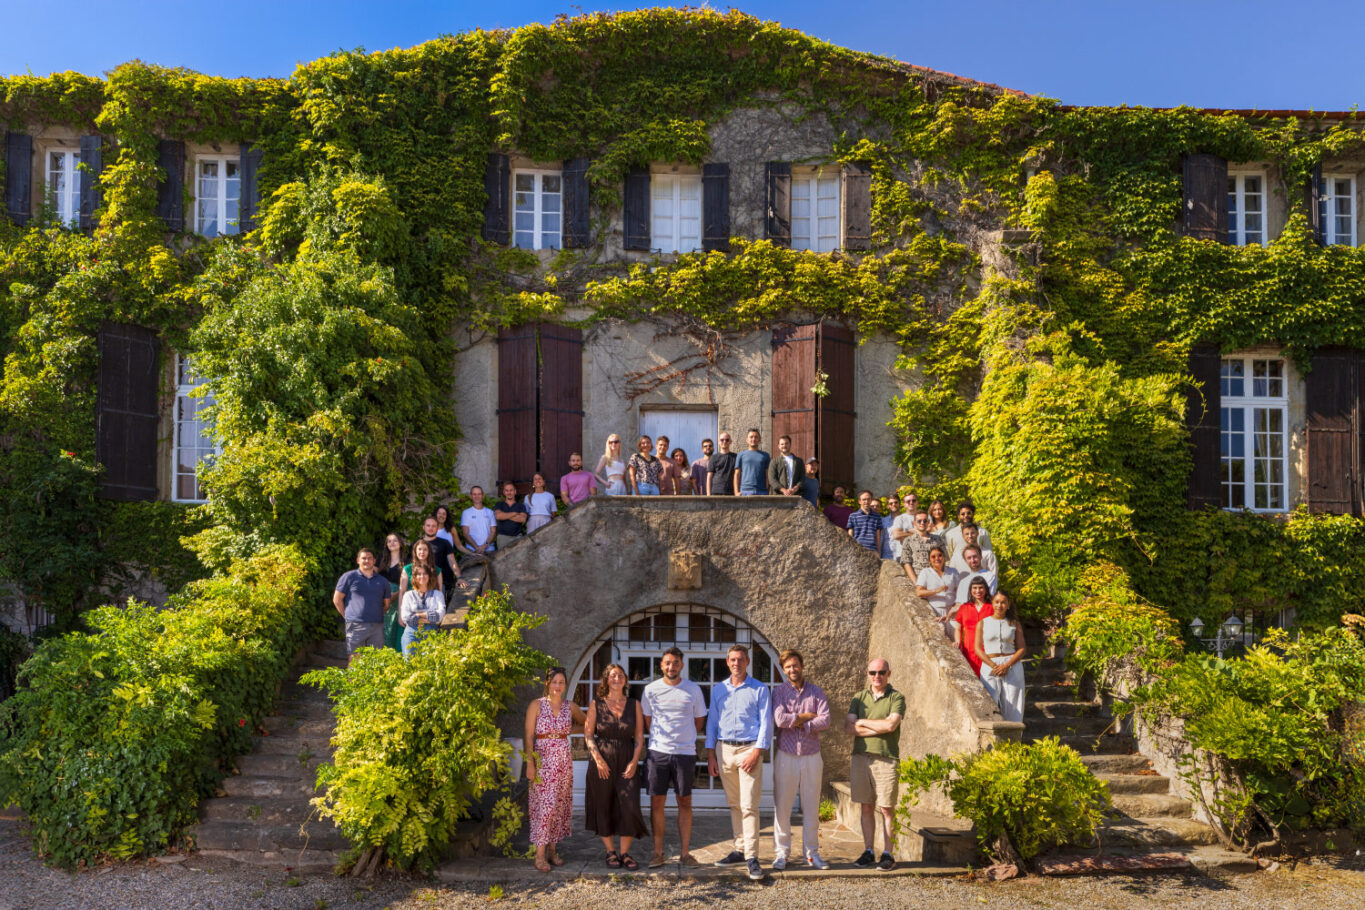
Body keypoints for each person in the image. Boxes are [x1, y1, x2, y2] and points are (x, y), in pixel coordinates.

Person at [705, 644, 772, 881]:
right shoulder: (718, 689)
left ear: (747, 662)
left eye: (741, 659)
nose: (736, 663)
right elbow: (712, 721)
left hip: (748, 749)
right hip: (724, 750)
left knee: (749, 806)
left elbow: (766, 722)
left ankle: (752, 857)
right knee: (734, 803)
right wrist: (711, 754)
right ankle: (739, 848)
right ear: (727, 662)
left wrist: (757, 752)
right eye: (733, 659)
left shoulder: (759, 689)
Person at [642, 647, 708, 869]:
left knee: (684, 802)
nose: (671, 667)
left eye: (676, 663)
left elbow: (699, 721)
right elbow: (648, 721)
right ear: (661, 665)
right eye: (667, 663)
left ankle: (685, 854)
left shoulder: (693, 690)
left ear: (682, 665)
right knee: (657, 803)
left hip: (685, 754)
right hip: (658, 753)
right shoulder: (650, 690)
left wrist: (683, 737)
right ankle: (658, 853)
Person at [583, 663, 650, 870]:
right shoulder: (597, 704)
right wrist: (598, 759)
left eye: (620, 675)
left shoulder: (634, 704)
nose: (617, 678)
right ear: (606, 679)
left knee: (629, 806)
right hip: (601, 762)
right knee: (604, 804)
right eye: (613, 675)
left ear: (625, 680)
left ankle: (625, 853)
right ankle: (610, 851)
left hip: (626, 760)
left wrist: (634, 761)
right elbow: (588, 735)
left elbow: (639, 737)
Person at [770, 649, 831, 871]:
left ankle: (812, 853)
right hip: (786, 755)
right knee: (783, 807)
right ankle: (782, 853)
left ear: (802, 666)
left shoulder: (816, 692)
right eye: (788, 667)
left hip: (812, 755)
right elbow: (779, 720)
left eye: (795, 665)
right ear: (783, 670)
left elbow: (825, 721)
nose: (792, 669)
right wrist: (806, 718)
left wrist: (797, 722)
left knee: (811, 807)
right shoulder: (779, 693)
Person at [845, 659, 905, 871]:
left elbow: (891, 724)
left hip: (886, 758)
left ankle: (888, 854)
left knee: (887, 808)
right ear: (868, 673)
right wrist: (877, 727)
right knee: (866, 806)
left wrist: (863, 722)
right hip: (861, 757)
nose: (877, 676)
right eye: (873, 672)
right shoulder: (858, 698)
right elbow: (849, 728)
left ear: (888, 673)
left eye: (881, 672)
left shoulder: (896, 697)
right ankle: (869, 851)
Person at [524, 667, 586, 873]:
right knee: (545, 808)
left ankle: (552, 851)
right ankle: (539, 855)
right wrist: (530, 764)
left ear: (565, 685)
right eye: (554, 682)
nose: (558, 686)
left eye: (561, 682)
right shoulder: (536, 705)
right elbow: (528, 737)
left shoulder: (570, 706)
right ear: (547, 684)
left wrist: (568, 730)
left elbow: (587, 725)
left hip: (563, 763)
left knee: (558, 807)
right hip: (542, 764)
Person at [332, 548, 391, 664]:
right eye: (364, 558)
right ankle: (353, 683)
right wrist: (347, 616)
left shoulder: (383, 581)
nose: (367, 561)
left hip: (376, 626)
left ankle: (372, 683)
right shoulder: (349, 577)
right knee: (355, 661)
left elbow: (387, 605)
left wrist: (374, 614)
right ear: (358, 560)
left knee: (375, 661)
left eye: (369, 558)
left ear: (374, 561)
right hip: (355, 625)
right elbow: (337, 599)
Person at [976, 591, 1026, 723]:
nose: (1000, 605)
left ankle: (1014, 740)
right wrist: (994, 666)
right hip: (990, 665)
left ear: (1008, 604)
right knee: (989, 701)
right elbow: (977, 649)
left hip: (1012, 664)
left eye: (1003, 602)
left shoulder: (1014, 623)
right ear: (992, 603)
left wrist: (1007, 665)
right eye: (997, 602)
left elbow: (1022, 648)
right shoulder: (983, 623)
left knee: (1014, 703)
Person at [398, 563, 444, 658]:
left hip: (431, 633)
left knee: (430, 665)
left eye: (425, 574)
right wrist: (429, 617)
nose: (422, 576)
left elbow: (440, 616)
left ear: (429, 576)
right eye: (419, 574)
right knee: (410, 664)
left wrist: (416, 615)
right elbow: (406, 618)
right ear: (414, 577)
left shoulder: (438, 595)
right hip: (410, 634)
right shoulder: (408, 595)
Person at [915, 545, 960, 636]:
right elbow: (919, 592)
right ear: (929, 560)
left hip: (952, 611)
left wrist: (957, 605)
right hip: (936, 611)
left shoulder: (953, 571)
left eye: (940, 555)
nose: (937, 558)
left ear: (944, 557)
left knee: (956, 642)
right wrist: (936, 591)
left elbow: (959, 591)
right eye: (933, 556)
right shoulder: (925, 572)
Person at [956, 577, 994, 677]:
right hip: (968, 651)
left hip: (988, 651)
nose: (978, 591)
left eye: (981, 588)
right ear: (970, 590)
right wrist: (957, 641)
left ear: (986, 589)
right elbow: (958, 628)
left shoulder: (993, 607)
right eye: (975, 588)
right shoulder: (964, 607)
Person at [417, 514, 463, 594]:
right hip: (420, 583)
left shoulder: (445, 543)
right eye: (428, 525)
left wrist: (459, 577)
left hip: (440, 583)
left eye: (433, 526)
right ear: (423, 527)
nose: (430, 528)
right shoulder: (417, 544)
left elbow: (452, 561)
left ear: (437, 528)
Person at [376, 532, 406, 653]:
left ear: (400, 543)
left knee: (392, 627)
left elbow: (407, 583)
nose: (392, 543)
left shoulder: (406, 561)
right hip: (380, 598)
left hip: (397, 598)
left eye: (395, 540)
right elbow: (372, 576)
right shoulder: (381, 559)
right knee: (380, 629)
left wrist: (396, 594)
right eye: (389, 541)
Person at [898, 510, 945, 579]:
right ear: (914, 523)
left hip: (936, 579)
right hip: (918, 579)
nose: (922, 523)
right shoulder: (908, 541)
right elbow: (906, 563)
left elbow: (945, 560)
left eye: (925, 521)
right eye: (919, 521)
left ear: (928, 522)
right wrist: (917, 584)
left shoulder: (937, 539)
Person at [398, 537, 447, 603]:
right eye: (419, 549)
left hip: (431, 606)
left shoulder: (437, 570)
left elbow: (440, 593)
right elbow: (402, 592)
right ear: (415, 551)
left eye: (425, 550)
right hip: (412, 605)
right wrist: (401, 612)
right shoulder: (407, 569)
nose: (422, 552)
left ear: (429, 552)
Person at [460, 486, 498, 561]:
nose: (477, 496)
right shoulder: (466, 513)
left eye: (479, 494)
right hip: (472, 550)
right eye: (474, 494)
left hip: (489, 550)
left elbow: (493, 531)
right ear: (471, 496)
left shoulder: (490, 512)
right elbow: (465, 534)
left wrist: (485, 546)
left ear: (483, 495)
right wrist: (477, 548)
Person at [732, 429, 771, 496]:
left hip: (762, 491)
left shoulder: (765, 455)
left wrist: (766, 490)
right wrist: (736, 492)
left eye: (756, 437)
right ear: (747, 439)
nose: (753, 439)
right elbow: (737, 474)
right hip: (745, 491)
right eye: (751, 437)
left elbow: (767, 474)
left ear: (759, 439)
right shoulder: (741, 455)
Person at [494, 481, 528, 550]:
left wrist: (504, 515)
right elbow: (498, 516)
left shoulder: (521, 506)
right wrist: (515, 514)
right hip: (503, 537)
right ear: (504, 492)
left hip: (517, 537)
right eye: (506, 490)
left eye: (511, 490)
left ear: (515, 491)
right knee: (502, 559)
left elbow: (522, 519)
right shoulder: (499, 504)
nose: (509, 493)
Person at [888, 493, 920, 561]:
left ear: (917, 502)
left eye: (913, 500)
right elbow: (896, 535)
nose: (911, 503)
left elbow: (930, 533)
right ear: (904, 504)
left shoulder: (926, 517)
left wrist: (904, 532)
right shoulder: (899, 518)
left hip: (921, 554)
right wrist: (917, 532)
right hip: (903, 556)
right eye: (908, 501)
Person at [878, 494, 898, 560]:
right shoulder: (883, 521)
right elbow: (880, 540)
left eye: (896, 502)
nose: (893, 505)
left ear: (900, 504)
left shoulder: (906, 520)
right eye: (891, 503)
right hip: (887, 557)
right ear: (888, 506)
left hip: (902, 557)